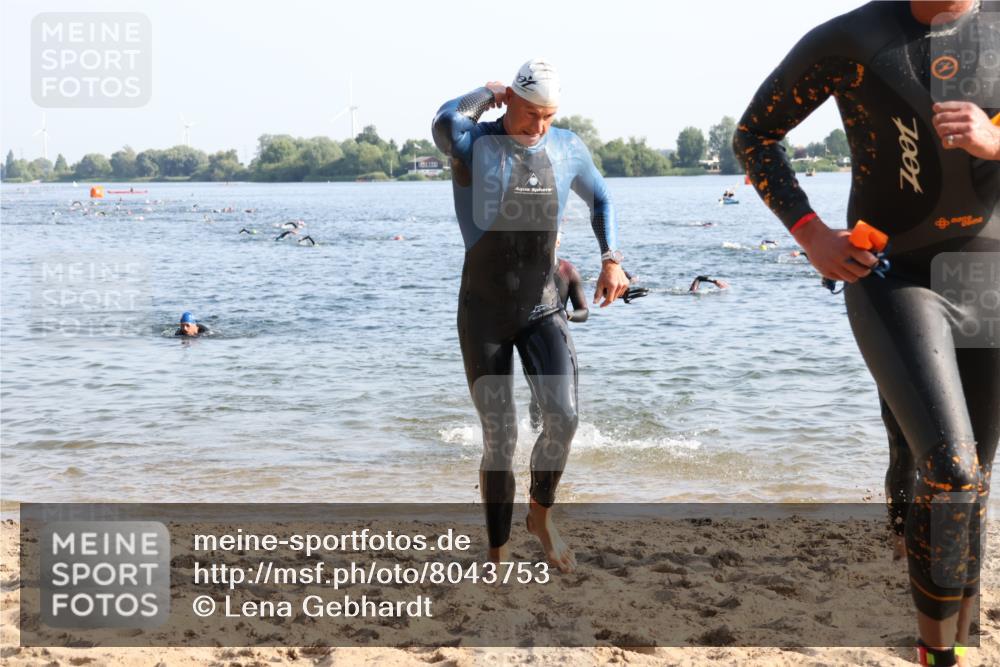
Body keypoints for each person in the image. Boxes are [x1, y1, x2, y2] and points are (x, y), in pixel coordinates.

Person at [734, 2, 999, 664]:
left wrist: (997, 140)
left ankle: (958, 645)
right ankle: (938, 654)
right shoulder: (855, 38)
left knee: (972, 481)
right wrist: (811, 234)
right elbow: (755, 134)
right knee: (952, 471)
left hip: (988, 272)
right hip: (892, 274)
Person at [432, 58, 629, 572]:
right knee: (501, 435)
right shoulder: (474, 145)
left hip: (542, 305)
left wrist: (611, 259)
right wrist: (484, 91)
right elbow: (443, 120)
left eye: (549, 115)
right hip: (485, 311)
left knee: (564, 416)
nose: (538, 126)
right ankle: (496, 553)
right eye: (530, 113)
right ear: (510, 101)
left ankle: (540, 516)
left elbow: (601, 198)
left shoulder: (566, 147)